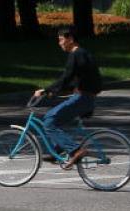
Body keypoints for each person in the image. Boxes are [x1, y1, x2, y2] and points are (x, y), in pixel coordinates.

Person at [34, 27, 103, 169]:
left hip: (82, 98)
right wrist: (56, 91)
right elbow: (76, 79)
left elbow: (66, 77)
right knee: (55, 120)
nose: (59, 43)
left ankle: (76, 150)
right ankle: (57, 150)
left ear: (70, 39)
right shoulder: (84, 54)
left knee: (48, 121)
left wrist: (46, 90)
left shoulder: (75, 54)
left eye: (61, 39)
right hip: (88, 98)